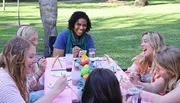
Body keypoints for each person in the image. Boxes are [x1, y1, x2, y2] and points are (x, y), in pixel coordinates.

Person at [0, 36, 67, 103]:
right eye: (31, 56)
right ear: (17, 58)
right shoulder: (6, 85)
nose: (35, 61)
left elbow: (28, 85)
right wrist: (55, 90)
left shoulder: (14, 74)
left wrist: (40, 72)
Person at [17, 26, 47, 102]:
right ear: (23, 40)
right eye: (33, 39)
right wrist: (40, 72)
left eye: (37, 39)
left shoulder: (28, 55)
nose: (36, 43)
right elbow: (29, 86)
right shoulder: (19, 60)